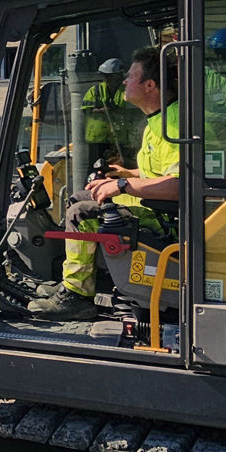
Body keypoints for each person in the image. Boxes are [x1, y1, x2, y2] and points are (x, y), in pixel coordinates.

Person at [32, 46, 180, 321]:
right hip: (156, 207)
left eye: (131, 76)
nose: (124, 81)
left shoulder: (174, 125)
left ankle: (77, 296)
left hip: (166, 220)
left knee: (81, 212)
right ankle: (73, 285)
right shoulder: (159, 119)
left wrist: (123, 185)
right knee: (80, 197)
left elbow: (179, 185)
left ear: (150, 85)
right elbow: (164, 171)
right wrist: (128, 173)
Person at [78, 65, 130, 177]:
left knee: (117, 165)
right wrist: (103, 111)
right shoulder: (95, 91)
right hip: (97, 137)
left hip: (118, 136)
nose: (109, 79)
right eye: (108, 76)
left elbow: (131, 110)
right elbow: (86, 110)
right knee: (95, 167)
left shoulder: (125, 90)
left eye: (113, 76)